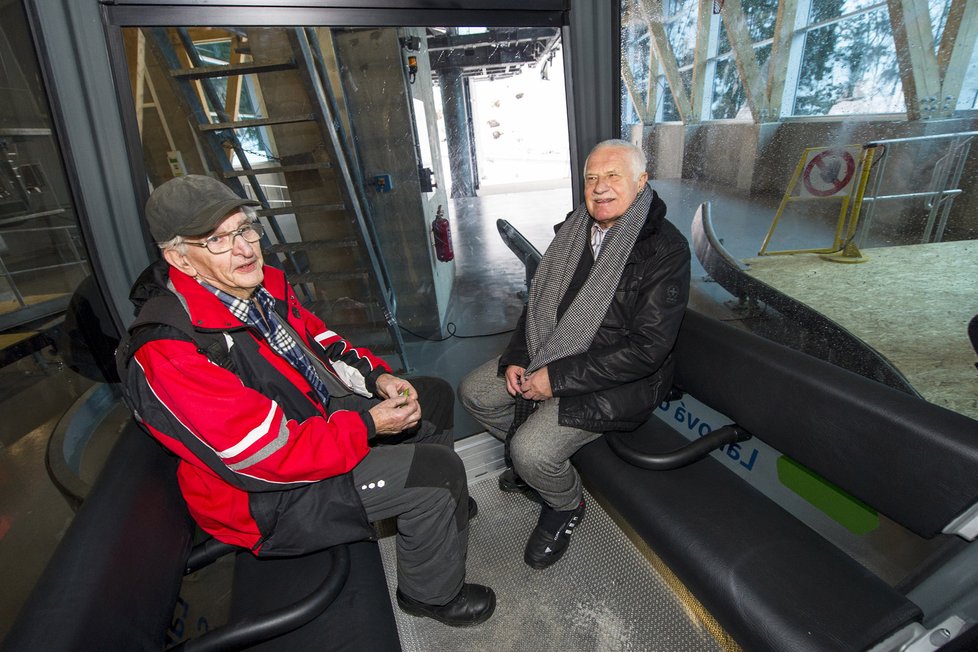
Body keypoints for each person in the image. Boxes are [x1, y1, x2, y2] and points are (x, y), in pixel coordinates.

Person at [115, 174, 494, 626]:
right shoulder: (171, 351)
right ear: (179, 258)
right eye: (217, 240)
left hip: (311, 422)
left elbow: (321, 339)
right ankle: (430, 594)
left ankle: (441, 514)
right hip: (265, 497)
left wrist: (377, 379)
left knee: (428, 394)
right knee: (436, 474)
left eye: (243, 229)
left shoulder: (261, 287)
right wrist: (368, 426)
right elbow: (266, 455)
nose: (244, 248)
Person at [459, 139, 690, 569]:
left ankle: (566, 504)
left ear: (641, 183)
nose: (600, 187)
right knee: (474, 391)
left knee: (531, 451)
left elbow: (647, 350)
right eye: (591, 178)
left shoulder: (664, 250)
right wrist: (517, 356)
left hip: (623, 379)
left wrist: (555, 379)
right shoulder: (574, 230)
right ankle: (541, 475)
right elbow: (541, 303)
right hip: (555, 352)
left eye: (613, 176)